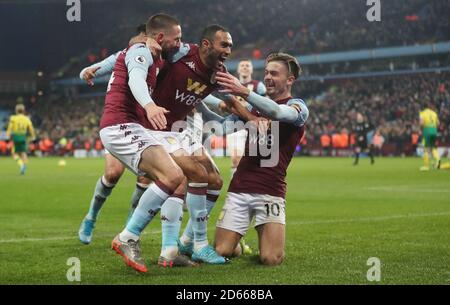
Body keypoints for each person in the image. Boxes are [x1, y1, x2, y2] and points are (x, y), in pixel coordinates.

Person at [213, 52, 309, 265]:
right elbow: (220, 128)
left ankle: (263, 232)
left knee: (271, 258)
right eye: (266, 72)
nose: (267, 77)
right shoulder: (253, 106)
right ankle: (238, 239)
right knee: (222, 251)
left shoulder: (299, 107)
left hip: (271, 191)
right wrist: (195, 102)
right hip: (240, 188)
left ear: (290, 79)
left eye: (274, 73)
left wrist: (243, 92)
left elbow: (276, 112)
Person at [78, 24, 155, 246]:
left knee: (145, 177)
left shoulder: (160, 58)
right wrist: (88, 71)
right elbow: (91, 69)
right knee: (112, 174)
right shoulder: (127, 53)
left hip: (144, 123)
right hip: (119, 122)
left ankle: (130, 229)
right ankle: (91, 216)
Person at [6, 104, 36, 175]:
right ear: (23, 111)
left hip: (16, 136)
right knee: (23, 153)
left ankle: (21, 164)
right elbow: (31, 128)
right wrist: (33, 135)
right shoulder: (26, 118)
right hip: (23, 136)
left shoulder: (13, 118)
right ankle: (24, 166)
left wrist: (8, 134)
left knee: (14, 153)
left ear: (16, 110)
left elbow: (10, 127)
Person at [419, 102, 440, 171]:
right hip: (434, 130)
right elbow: (438, 123)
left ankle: (426, 166)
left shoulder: (422, 113)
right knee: (433, 147)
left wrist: (421, 128)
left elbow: (421, 123)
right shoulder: (434, 113)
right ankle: (438, 160)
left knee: (426, 148)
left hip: (427, 130)